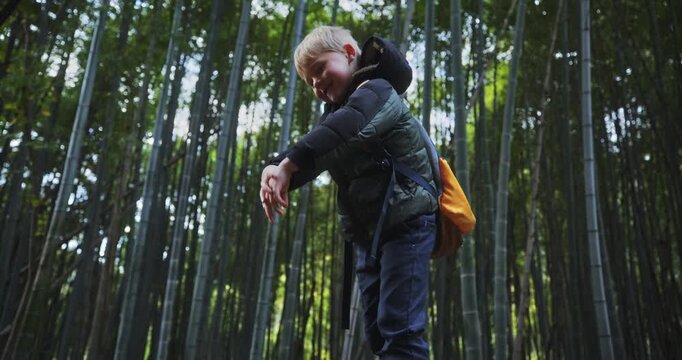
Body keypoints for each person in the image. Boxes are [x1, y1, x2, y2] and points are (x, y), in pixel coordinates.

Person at [260, 26, 437, 359]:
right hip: (368, 235)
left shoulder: (378, 91)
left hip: (408, 222)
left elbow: (346, 128)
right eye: (310, 82)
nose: (316, 84)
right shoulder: (336, 120)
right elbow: (319, 148)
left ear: (349, 52)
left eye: (319, 70)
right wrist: (275, 167)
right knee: (376, 332)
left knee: (399, 327)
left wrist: (289, 163)